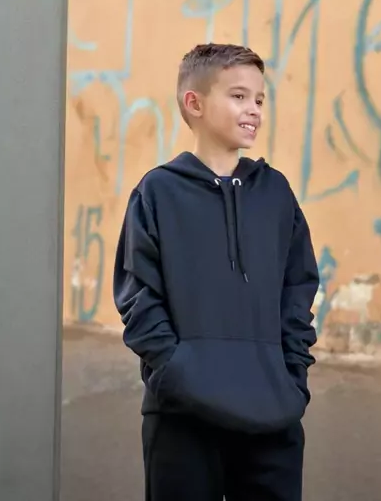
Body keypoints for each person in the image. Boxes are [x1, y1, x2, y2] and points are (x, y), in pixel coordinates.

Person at [113, 43, 319, 501]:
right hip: (182, 417)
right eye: (239, 96)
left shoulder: (276, 193)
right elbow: (137, 295)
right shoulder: (157, 192)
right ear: (195, 103)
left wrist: (292, 375)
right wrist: (176, 371)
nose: (254, 110)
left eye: (259, 99)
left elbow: (298, 287)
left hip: (273, 414)